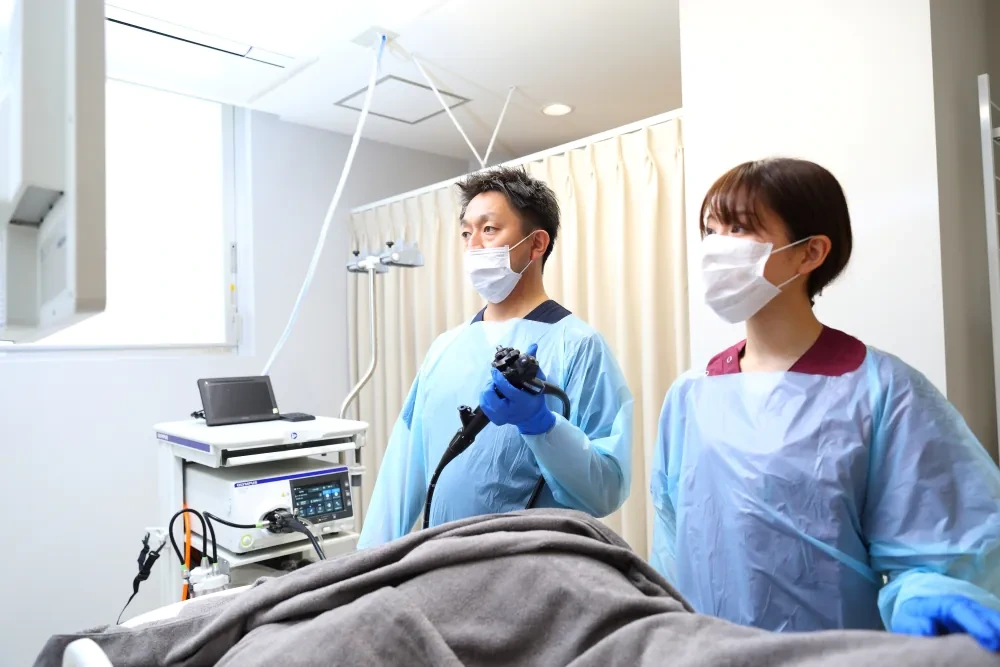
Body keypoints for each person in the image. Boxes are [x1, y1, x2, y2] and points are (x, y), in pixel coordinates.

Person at [649, 157, 1000, 650]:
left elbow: (947, 550)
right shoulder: (691, 394)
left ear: (809, 252)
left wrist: (925, 593)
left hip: (837, 655)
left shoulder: (881, 390)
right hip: (704, 652)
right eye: (711, 230)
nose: (716, 247)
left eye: (739, 228)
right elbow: (671, 546)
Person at [357, 166, 633, 549]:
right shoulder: (445, 348)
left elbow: (606, 489)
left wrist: (542, 427)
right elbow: (401, 472)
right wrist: (370, 564)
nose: (474, 245)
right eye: (466, 233)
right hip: (442, 562)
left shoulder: (579, 346)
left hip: (532, 565)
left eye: (489, 229)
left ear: (536, 244)